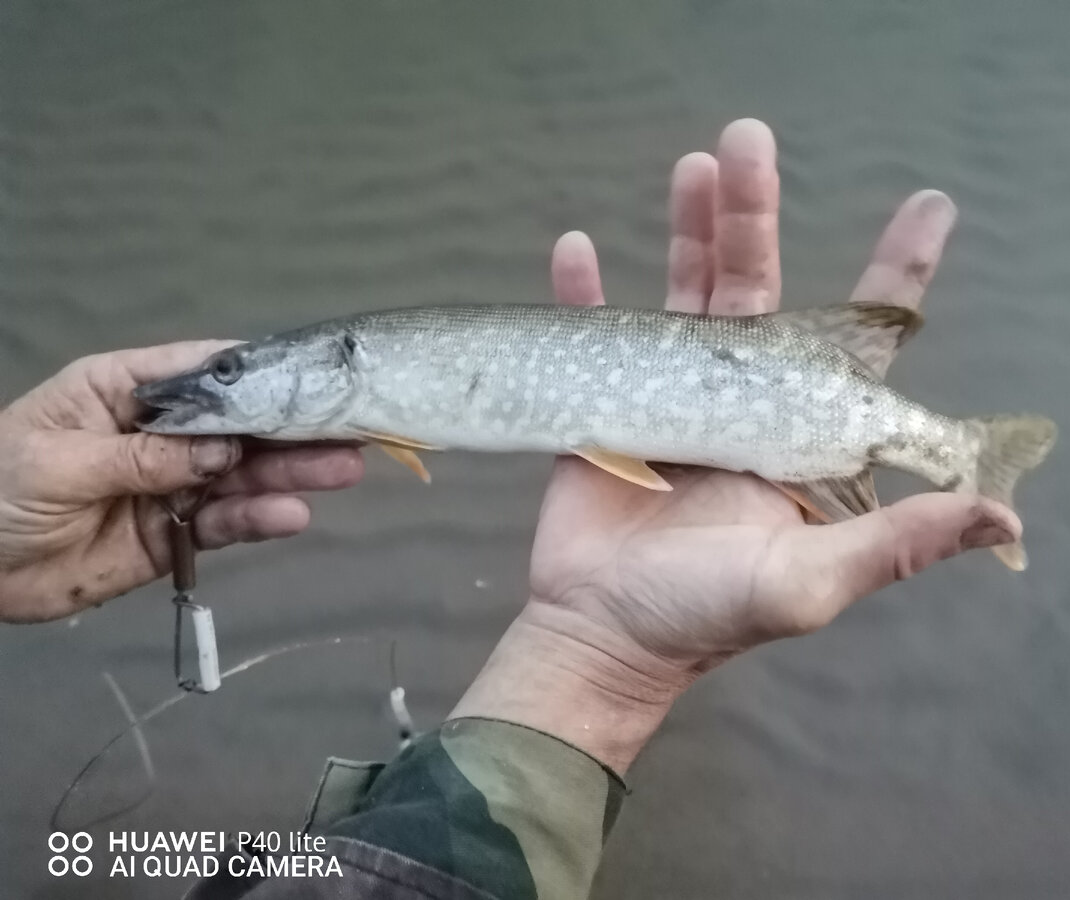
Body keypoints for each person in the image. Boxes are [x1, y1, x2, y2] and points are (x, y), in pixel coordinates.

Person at [0, 120, 1018, 898]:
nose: (213, 385)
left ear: (337, 363)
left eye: (235, 372)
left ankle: (959, 451)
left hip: (794, 422)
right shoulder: (356, 391)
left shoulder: (356, 370)